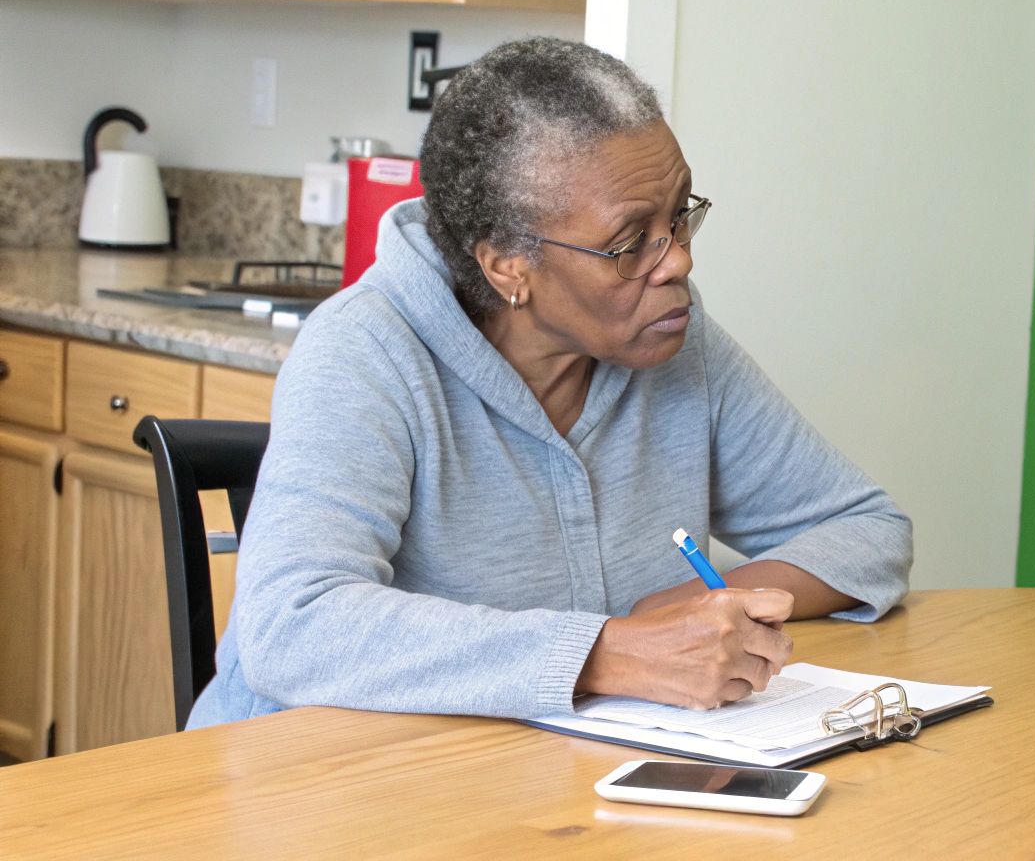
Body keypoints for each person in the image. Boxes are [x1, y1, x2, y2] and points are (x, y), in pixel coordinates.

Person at [188, 37, 912, 727]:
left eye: (680, 216)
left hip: (537, 782)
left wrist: (686, 605)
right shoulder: (365, 352)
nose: (677, 263)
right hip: (314, 790)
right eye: (630, 243)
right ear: (508, 266)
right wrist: (607, 650)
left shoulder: (669, 339)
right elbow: (295, 625)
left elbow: (866, 531)